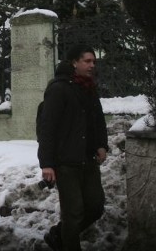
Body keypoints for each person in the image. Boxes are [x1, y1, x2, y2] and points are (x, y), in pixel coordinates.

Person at [37, 44, 109, 251]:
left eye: (93, 61)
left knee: (95, 207)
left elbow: (98, 120)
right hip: (66, 162)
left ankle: (58, 236)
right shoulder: (58, 88)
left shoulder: (88, 87)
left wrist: (101, 145)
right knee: (73, 213)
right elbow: (47, 128)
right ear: (74, 63)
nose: (92, 65)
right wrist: (47, 164)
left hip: (87, 160)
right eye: (87, 61)